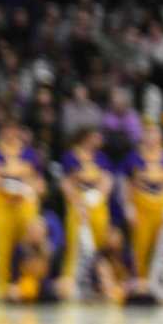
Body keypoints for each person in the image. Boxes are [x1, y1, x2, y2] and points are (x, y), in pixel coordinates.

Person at [0, 120, 46, 297]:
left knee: (30, 244)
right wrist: (3, 180)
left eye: (14, 130)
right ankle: (2, 287)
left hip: (25, 204)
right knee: (3, 247)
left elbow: (38, 183)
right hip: (3, 205)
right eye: (7, 130)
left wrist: (22, 182)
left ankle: (30, 284)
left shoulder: (30, 154)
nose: (11, 134)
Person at [122, 125, 163, 295]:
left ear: (161, 138)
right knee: (140, 245)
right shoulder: (134, 158)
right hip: (142, 207)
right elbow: (128, 183)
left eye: (154, 134)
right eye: (147, 134)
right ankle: (141, 282)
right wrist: (129, 205)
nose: (151, 138)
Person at [56, 127, 115, 300]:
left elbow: (107, 180)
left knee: (98, 243)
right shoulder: (70, 156)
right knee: (76, 243)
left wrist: (97, 196)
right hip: (78, 204)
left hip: (97, 204)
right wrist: (77, 203)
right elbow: (67, 183)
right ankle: (71, 281)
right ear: (86, 137)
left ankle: (98, 282)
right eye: (96, 136)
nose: (100, 139)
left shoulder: (101, 158)